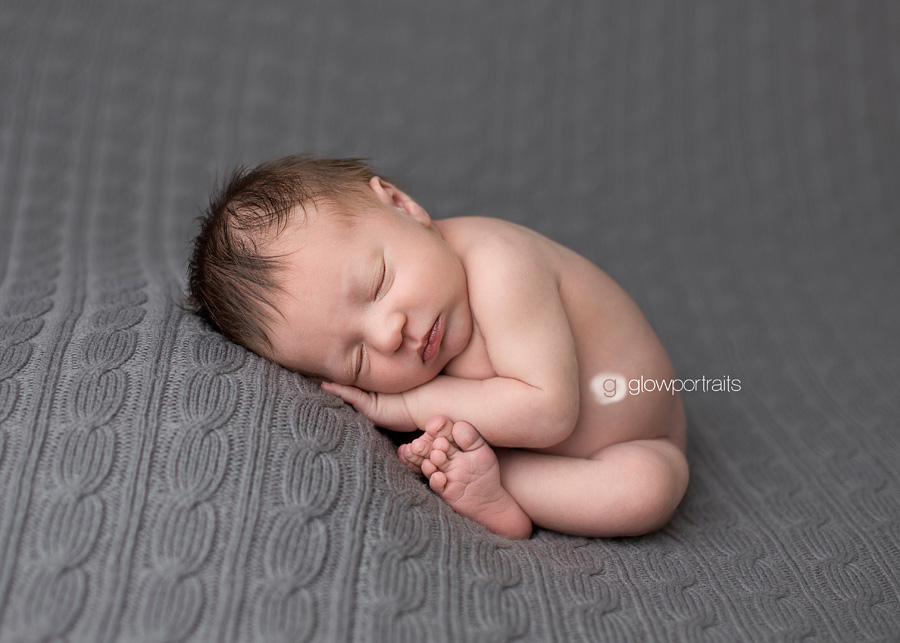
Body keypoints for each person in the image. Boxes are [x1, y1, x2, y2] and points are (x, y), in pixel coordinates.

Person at [188, 155, 688, 539]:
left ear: (403, 207)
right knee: (636, 491)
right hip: (561, 457)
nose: (388, 334)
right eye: (357, 359)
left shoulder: (498, 263)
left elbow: (550, 410)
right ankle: (493, 486)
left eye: (379, 282)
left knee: (649, 491)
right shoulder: (422, 338)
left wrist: (405, 405)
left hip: (644, 433)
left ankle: (502, 476)